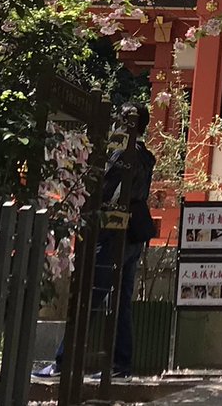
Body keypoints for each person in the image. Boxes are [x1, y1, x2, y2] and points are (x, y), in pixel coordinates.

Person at [35, 102, 158, 380]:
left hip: (112, 232)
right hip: (134, 232)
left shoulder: (122, 155)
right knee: (121, 301)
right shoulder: (146, 157)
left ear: (126, 123)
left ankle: (65, 361)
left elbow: (104, 190)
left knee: (90, 297)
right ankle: (120, 364)